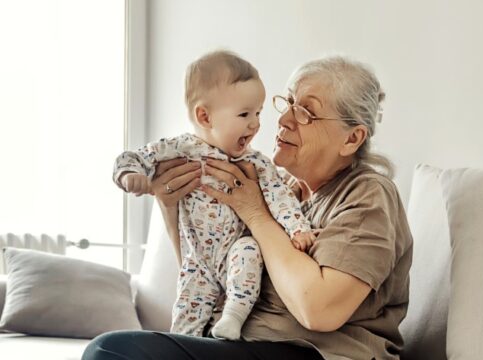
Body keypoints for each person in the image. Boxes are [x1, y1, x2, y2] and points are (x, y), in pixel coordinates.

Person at [85, 56, 413, 360]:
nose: (283, 119)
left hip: (315, 353)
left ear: (352, 139)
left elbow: (319, 310)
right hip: (241, 343)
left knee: (113, 352)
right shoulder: (280, 187)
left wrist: (254, 213)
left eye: (306, 112)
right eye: (288, 103)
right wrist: (169, 205)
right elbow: (210, 270)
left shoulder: (368, 194)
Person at [111, 50, 315, 340]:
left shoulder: (254, 163)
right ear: (204, 116)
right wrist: (131, 176)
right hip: (198, 262)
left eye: (258, 113)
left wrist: (297, 227)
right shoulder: (181, 149)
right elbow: (133, 156)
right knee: (183, 326)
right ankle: (182, 345)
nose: (255, 124)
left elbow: (280, 196)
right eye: (244, 114)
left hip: (236, 252)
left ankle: (233, 316)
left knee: (249, 251)